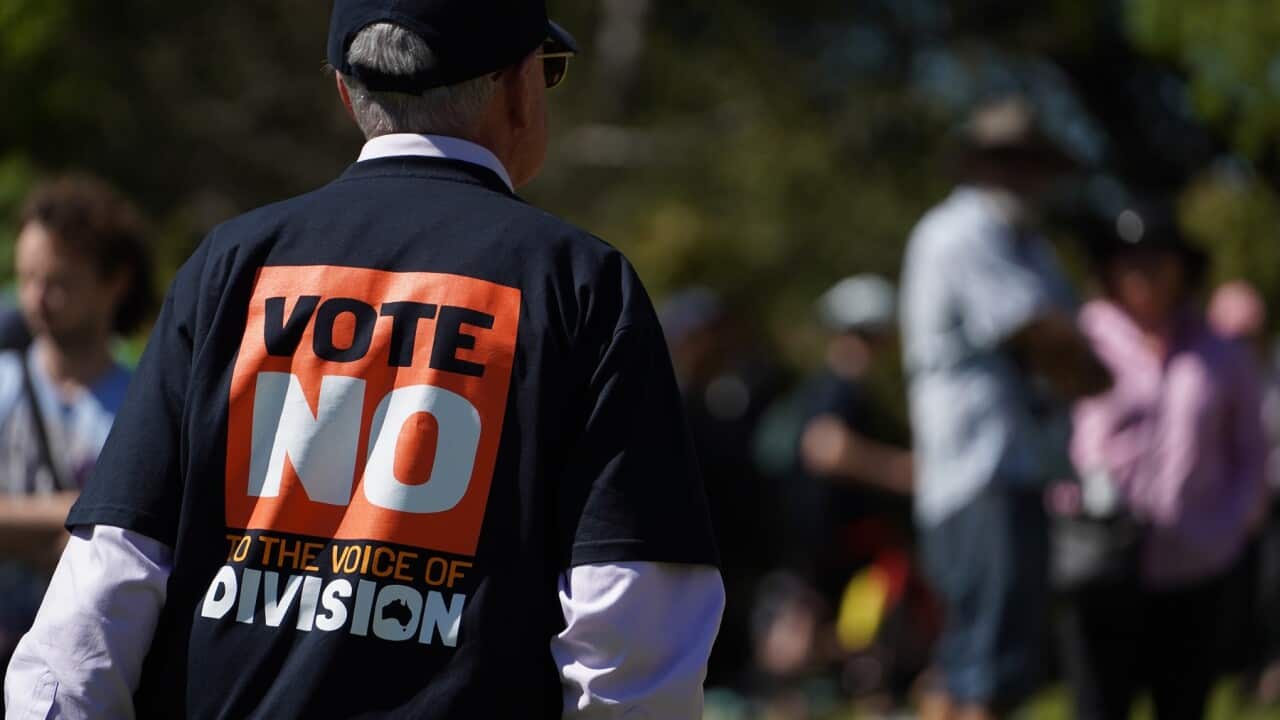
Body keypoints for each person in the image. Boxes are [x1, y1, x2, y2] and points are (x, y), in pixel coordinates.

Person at [5, 2, 724, 718]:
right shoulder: (580, 286)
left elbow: (103, 592)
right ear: (518, 87)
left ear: (346, 94)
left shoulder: (231, 266)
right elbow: (634, 636)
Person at [899, 97, 1110, 720]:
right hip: (979, 470)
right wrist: (1084, 364)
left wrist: (1081, 361)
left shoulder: (1027, 247)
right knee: (987, 666)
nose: (1025, 175)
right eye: (1009, 160)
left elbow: (1074, 349)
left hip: (1008, 467)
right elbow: (1045, 335)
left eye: (1032, 162)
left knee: (976, 655)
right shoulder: (961, 232)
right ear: (979, 164)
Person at [1061, 205, 1266, 720]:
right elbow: (1052, 432)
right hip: (1101, 559)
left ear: (1182, 267)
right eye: (1129, 260)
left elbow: (1251, 450)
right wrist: (1073, 499)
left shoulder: (1220, 353)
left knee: (1184, 703)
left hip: (1196, 561)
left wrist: (1233, 523)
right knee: (1099, 703)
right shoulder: (1083, 338)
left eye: (1156, 259)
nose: (1143, 272)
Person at [0, 175, 152, 671]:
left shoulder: (142, 405)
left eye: (59, 282)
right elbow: (104, 539)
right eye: (26, 278)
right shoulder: (5, 383)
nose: (36, 298)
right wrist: (70, 515)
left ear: (115, 283)